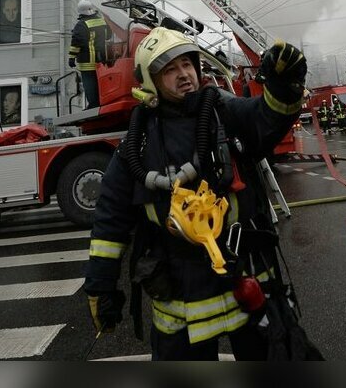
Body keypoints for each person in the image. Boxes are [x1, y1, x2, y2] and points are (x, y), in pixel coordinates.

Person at [84, 27, 319, 360]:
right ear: (151, 82)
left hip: (246, 279)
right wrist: (101, 286)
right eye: (170, 70)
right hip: (180, 293)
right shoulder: (138, 146)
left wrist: (286, 84)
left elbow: (268, 119)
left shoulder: (224, 112)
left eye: (187, 65)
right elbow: (109, 219)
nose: (184, 75)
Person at [67, 0, 110, 109]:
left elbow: (76, 43)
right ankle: (103, 101)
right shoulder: (102, 21)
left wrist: (71, 58)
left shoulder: (81, 25)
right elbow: (108, 36)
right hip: (103, 59)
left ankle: (93, 104)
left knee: (89, 83)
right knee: (101, 81)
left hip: (87, 61)